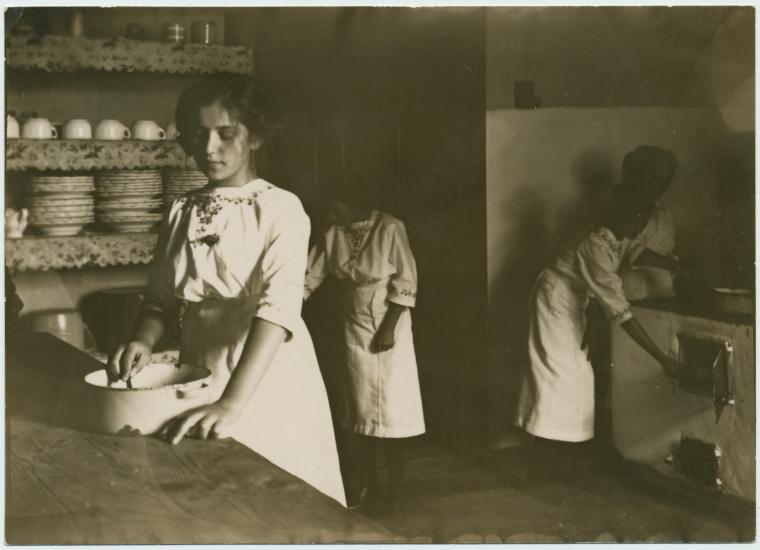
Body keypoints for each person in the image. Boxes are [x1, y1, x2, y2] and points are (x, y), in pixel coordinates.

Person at [107, 75, 346, 506]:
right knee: (213, 496)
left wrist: (232, 403)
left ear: (254, 137)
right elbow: (160, 300)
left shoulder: (280, 208)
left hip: (266, 370)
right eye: (198, 135)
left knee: (273, 496)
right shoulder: (181, 210)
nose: (209, 147)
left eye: (225, 133)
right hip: (200, 368)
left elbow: (279, 309)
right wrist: (141, 339)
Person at [515, 184, 679, 474]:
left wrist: (677, 265)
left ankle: (562, 451)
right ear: (623, 215)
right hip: (555, 300)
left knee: (575, 372)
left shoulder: (616, 236)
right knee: (561, 373)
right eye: (638, 217)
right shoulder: (595, 245)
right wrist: (662, 357)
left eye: (643, 218)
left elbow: (635, 252)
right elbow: (621, 313)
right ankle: (547, 455)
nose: (641, 224)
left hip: (574, 299)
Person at [304, 168, 425, 512]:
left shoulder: (390, 228)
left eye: (336, 207)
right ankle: (369, 485)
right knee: (361, 410)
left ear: (355, 201)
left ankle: (396, 490)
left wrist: (389, 327)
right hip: (353, 325)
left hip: (390, 327)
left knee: (391, 410)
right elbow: (309, 276)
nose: (332, 214)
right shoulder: (334, 232)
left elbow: (407, 280)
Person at [618, 145, 686, 299]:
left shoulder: (662, 210)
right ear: (640, 175)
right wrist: (676, 266)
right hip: (630, 291)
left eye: (667, 180)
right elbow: (631, 250)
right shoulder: (621, 207)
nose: (662, 186)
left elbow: (663, 248)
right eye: (656, 178)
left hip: (660, 289)